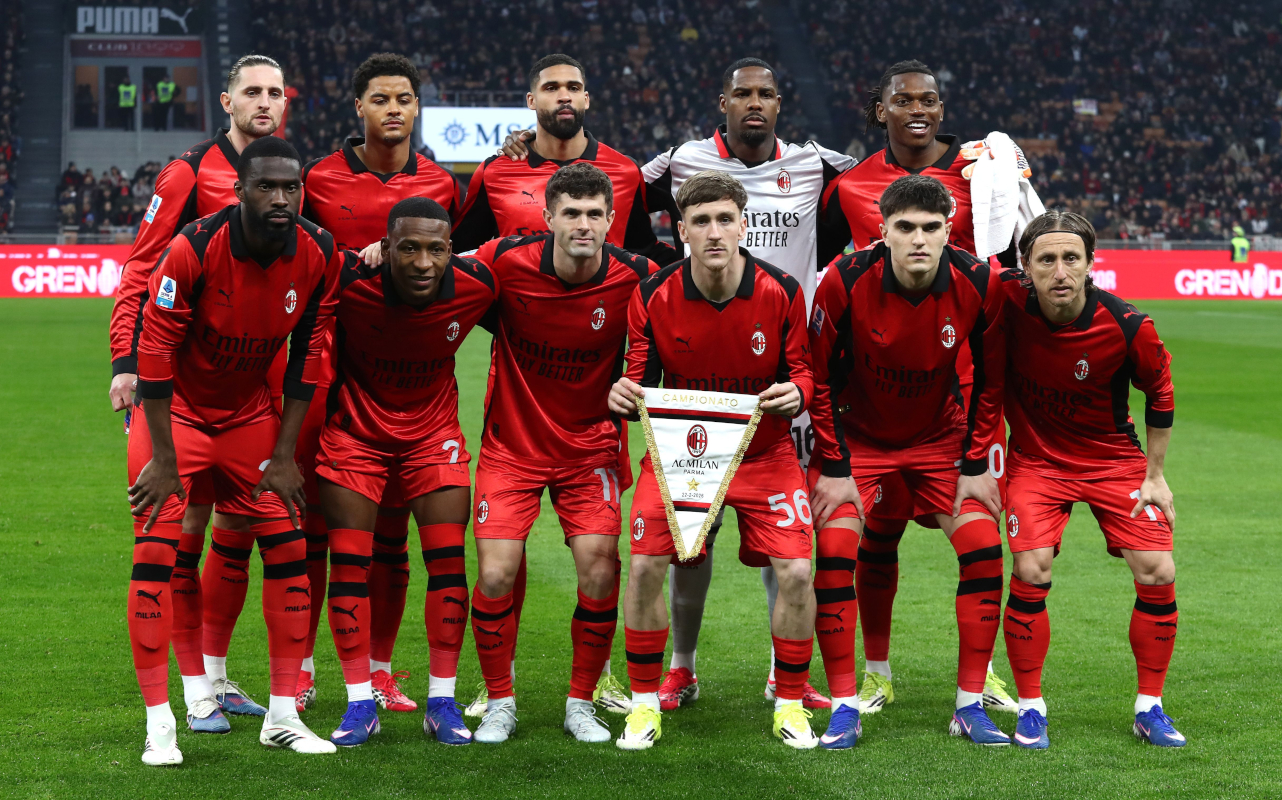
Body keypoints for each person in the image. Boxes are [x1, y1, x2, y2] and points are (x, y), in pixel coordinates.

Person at [447, 53, 667, 718]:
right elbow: (452, 263)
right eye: (551, 85)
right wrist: (525, 321)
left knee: (601, 563)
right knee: (497, 568)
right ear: (530, 97)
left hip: (592, 422)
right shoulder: (496, 173)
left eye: (574, 84)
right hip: (520, 400)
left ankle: (590, 687)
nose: (563, 95)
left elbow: (657, 288)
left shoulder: (626, 173)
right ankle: (499, 684)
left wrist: (635, 377)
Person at [818, 60, 1025, 715]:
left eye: (930, 99)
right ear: (878, 110)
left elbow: (1008, 260)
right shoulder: (848, 186)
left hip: (954, 398)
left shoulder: (976, 172)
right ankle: (874, 673)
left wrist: (1001, 172)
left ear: (942, 108)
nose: (919, 109)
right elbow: (824, 265)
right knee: (877, 537)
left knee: (979, 538)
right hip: (872, 393)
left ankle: (981, 675)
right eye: (903, 99)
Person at [125, 136, 340, 764]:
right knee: (156, 557)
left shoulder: (318, 251)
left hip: (249, 418)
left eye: (291, 187)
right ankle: (159, 721)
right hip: (177, 419)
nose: (281, 198)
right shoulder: (193, 247)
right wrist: (165, 459)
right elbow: (156, 354)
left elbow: (307, 356)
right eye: (267, 186)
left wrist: (284, 452)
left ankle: (282, 716)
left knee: (290, 549)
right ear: (239, 190)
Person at [107, 54, 290, 729]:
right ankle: (191, 689)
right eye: (252, 92)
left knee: (241, 530)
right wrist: (126, 360)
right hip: (182, 390)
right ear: (226, 101)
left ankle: (214, 674)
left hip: (253, 390)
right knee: (183, 530)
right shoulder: (190, 172)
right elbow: (138, 271)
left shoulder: (282, 175)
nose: (265, 102)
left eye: (275, 92)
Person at [608, 170, 819, 751]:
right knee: (648, 564)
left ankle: (793, 704)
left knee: (798, 570)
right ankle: (645, 703)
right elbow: (638, 376)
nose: (715, 232)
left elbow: (802, 370)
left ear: (744, 225)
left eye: (726, 219)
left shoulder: (781, 292)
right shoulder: (654, 294)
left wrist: (797, 391)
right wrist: (622, 394)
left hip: (766, 454)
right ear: (680, 231)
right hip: (681, 454)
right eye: (701, 221)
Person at [807, 175, 1009, 748]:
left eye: (930, 228)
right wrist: (837, 465)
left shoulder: (979, 280)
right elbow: (818, 378)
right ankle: (847, 702)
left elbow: (991, 380)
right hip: (860, 441)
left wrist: (974, 463)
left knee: (984, 550)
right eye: (905, 228)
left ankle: (970, 704)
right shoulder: (843, 280)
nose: (918, 239)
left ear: (949, 231)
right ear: (882, 231)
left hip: (940, 442)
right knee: (838, 549)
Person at [293, 51, 463, 716]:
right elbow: (300, 255)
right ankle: (303, 667)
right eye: (381, 99)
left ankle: (380, 671)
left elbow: (463, 261)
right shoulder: (320, 178)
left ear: (417, 108)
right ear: (358, 108)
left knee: (392, 536)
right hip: (329, 375)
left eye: (404, 99)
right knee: (314, 531)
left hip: (406, 385)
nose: (394, 109)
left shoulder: (444, 185)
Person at [998, 211, 1183, 749]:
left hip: (1111, 459)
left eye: (1071, 258)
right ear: (1025, 267)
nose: (1060, 271)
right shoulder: (1004, 300)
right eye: (1047, 259)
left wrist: (1155, 476)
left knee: (1157, 568)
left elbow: (1161, 392)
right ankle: (1031, 707)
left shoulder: (1128, 324)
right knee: (1031, 569)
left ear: (1090, 264)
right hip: (1036, 461)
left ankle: (1150, 706)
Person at [316, 197, 496, 746]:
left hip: (432, 437)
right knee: (349, 567)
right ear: (386, 247)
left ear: (451, 250)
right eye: (409, 248)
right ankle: (357, 704)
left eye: (436, 249)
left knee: (447, 567)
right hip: (355, 437)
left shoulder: (477, 284)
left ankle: (441, 700)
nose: (423, 263)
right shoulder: (349, 281)